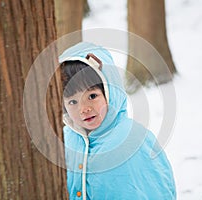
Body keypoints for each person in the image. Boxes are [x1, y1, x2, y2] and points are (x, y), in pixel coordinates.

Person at [59, 42, 176, 200]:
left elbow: (154, 187)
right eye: (73, 102)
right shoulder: (65, 139)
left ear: (109, 92)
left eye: (92, 96)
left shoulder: (132, 139)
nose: (84, 109)